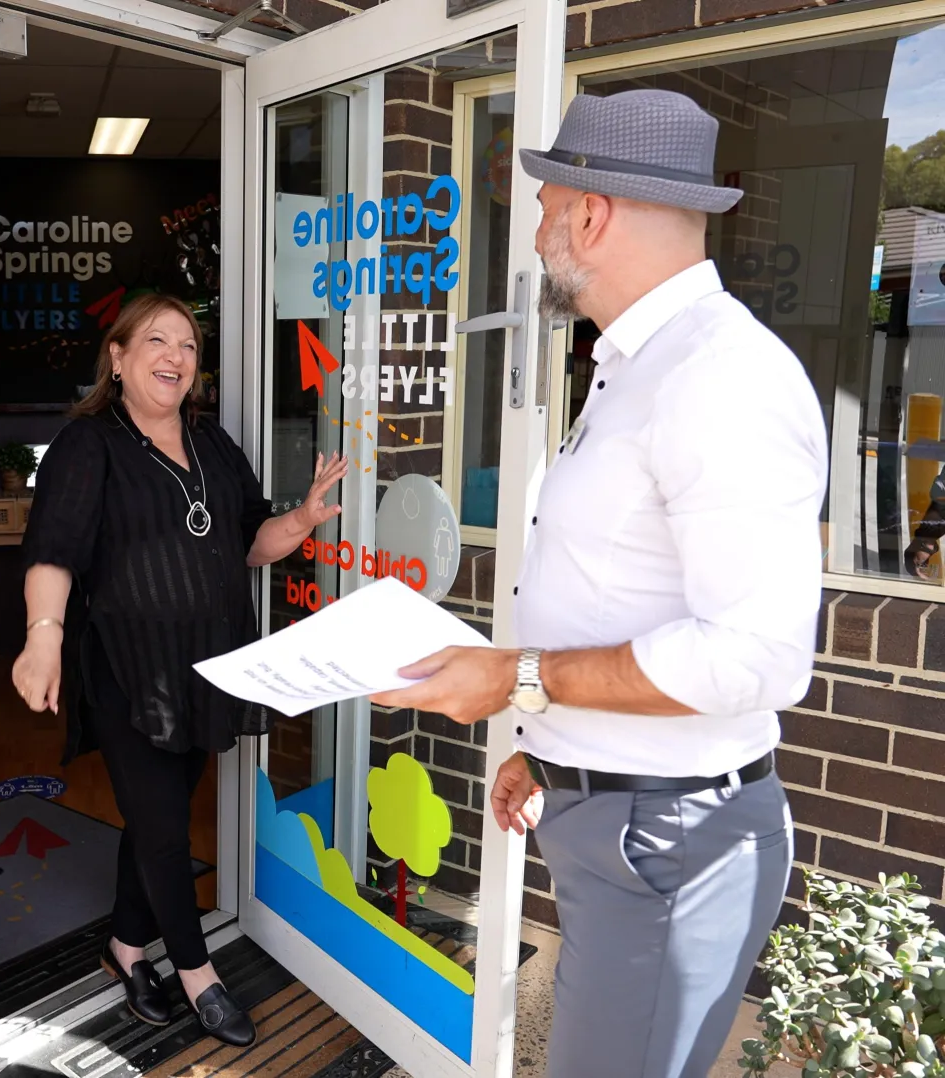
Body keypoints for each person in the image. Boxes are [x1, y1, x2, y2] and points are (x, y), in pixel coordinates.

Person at [373, 89, 828, 1078]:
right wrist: (550, 751)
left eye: (544, 207)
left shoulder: (721, 379)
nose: (535, 232)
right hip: (617, 819)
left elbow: (753, 656)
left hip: (666, 847)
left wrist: (517, 680)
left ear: (591, 213)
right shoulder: (637, 365)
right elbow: (622, 591)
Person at [12, 293, 348, 1048]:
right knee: (164, 826)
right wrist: (43, 636)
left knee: (156, 813)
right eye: (156, 341)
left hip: (213, 664)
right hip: (130, 669)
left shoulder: (213, 441)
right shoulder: (88, 445)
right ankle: (198, 974)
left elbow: (250, 543)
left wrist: (301, 519)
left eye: (188, 345)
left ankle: (124, 949)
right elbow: (54, 550)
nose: (175, 356)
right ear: (120, 358)